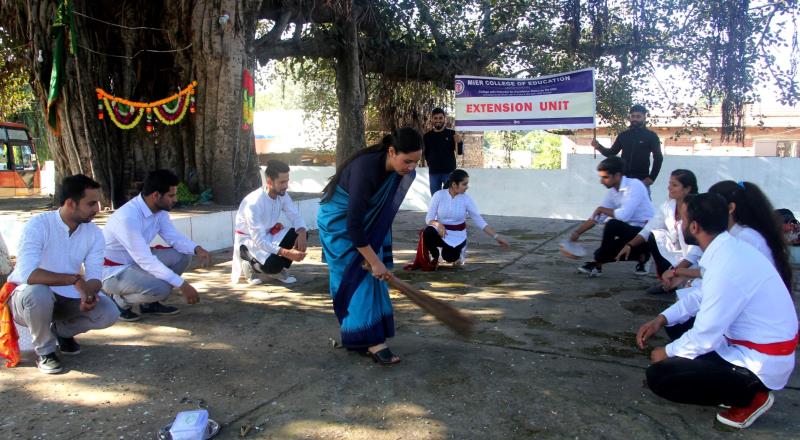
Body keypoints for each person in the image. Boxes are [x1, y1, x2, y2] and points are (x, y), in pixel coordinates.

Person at [636, 193, 797, 429]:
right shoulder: (727, 248)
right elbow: (702, 295)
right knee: (676, 323)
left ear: (694, 226)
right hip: (747, 342)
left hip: (761, 361)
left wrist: (667, 352)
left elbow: (705, 335)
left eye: (681, 220)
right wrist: (662, 318)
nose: (679, 225)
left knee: (661, 377)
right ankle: (729, 382)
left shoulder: (726, 262)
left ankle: (750, 395)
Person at [318, 127, 422, 365]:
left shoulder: (397, 171)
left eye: (416, 162)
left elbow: (380, 211)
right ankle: (370, 340)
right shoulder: (366, 169)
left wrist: (375, 259)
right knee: (357, 276)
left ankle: (371, 331)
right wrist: (373, 260)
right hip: (338, 223)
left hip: (362, 223)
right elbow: (353, 224)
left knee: (372, 278)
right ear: (392, 151)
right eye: (407, 161)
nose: (410, 168)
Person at [5, 175, 119, 374]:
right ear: (70, 203)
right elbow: (28, 274)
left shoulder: (93, 233)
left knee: (108, 312)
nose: (97, 209)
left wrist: (89, 294)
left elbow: (94, 277)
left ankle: (61, 332)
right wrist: (74, 279)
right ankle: (46, 352)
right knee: (38, 293)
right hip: (27, 300)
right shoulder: (38, 225)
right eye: (91, 203)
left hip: (67, 297)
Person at [102, 169, 212, 322]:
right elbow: (146, 260)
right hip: (114, 271)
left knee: (182, 256)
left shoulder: (159, 211)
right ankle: (119, 302)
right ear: (156, 195)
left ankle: (149, 304)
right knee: (162, 289)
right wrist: (182, 284)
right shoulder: (127, 218)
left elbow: (173, 237)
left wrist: (197, 249)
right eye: (171, 195)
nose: (175, 199)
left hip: (135, 263)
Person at [616, 169, 702, 294]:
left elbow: (696, 251)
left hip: (696, 261)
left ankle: (672, 281)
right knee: (654, 236)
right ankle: (666, 283)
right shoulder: (668, 205)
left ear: (687, 189)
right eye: (669, 184)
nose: (669, 188)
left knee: (692, 292)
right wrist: (629, 245)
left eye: (674, 185)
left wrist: (674, 272)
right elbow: (649, 228)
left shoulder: (698, 209)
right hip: (678, 254)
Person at [406, 169, 509, 270]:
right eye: (464, 184)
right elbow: (429, 218)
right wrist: (437, 224)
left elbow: (479, 220)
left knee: (450, 257)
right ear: (454, 185)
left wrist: (497, 237)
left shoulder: (466, 199)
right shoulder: (439, 195)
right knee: (427, 232)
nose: (467, 187)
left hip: (458, 235)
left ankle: (459, 252)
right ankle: (435, 257)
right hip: (441, 232)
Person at [570, 156, 654, 277]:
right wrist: (576, 233)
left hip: (646, 235)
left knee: (612, 224)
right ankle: (641, 256)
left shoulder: (635, 186)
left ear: (617, 175)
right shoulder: (613, 192)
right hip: (629, 233)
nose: (601, 181)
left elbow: (624, 215)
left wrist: (601, 209)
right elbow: (597, 218)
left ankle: (599, 264)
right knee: (602, 251)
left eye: (605, 177)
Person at [231, 160, 308, 285]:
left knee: (298, 234)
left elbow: (295, 216)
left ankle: (277, 268)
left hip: (269, 235)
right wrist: (287, 253)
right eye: (282, 182)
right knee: (273, 265)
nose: (286, 185)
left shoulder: (282, 195)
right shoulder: (254, 203)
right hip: (250, 241)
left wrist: (302, 232)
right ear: (269, 182)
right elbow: (259, 240)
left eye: (287, 181)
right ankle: (250, 263)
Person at [591, 104, 663, 190]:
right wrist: (598, 146)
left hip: (641, 180)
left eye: (638, 116)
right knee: (621, 203)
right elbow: (611, 153)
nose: (635, 119)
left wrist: (652, 178)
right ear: (630, 117)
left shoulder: (651, 136)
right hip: (623, 180)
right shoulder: (623, 135)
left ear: (644, 117)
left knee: (641, 203)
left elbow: (658, 157)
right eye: (633, 116)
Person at [423, 108, 463, 195]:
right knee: (435, 198)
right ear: (432, 119)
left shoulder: (452, 134)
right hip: (433, 172)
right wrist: (430, 163)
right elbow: (426, 153)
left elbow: (459, 152)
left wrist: (459, 142)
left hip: (449, 172)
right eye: (436, 118)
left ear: (445, 119)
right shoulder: (427, 136)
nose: (438, 120)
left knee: (451, 197)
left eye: (440, 118)